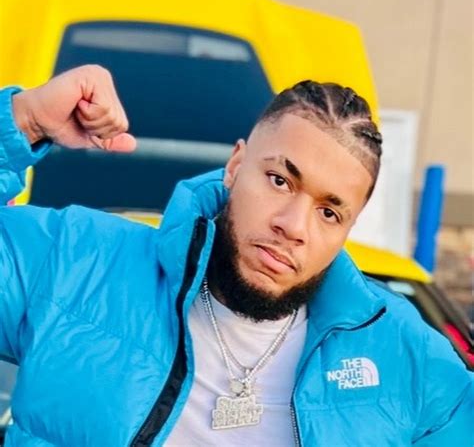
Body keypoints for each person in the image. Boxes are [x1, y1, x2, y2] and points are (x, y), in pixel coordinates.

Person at [0, 65, 472, 447]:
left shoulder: (402, 352)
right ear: (235, 165)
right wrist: (24, 122)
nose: (293, 226)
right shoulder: (78, 262)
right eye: (280, 181)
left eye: (329, 212)